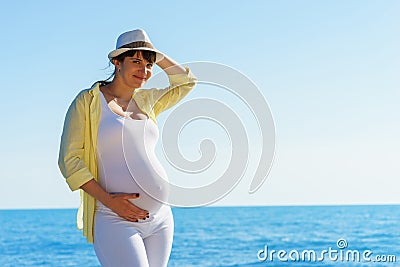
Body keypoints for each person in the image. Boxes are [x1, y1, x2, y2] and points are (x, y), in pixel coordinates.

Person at [58, 29, 197, 267]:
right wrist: (110, 201)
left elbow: (186, 82)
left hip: (161, 218)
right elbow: (69, 160)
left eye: (148, 65)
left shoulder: (146, 100)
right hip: (114, 218)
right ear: (116, 62)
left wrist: (156, 55)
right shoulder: (88, 101)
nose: (144, 71)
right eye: (135, 62)